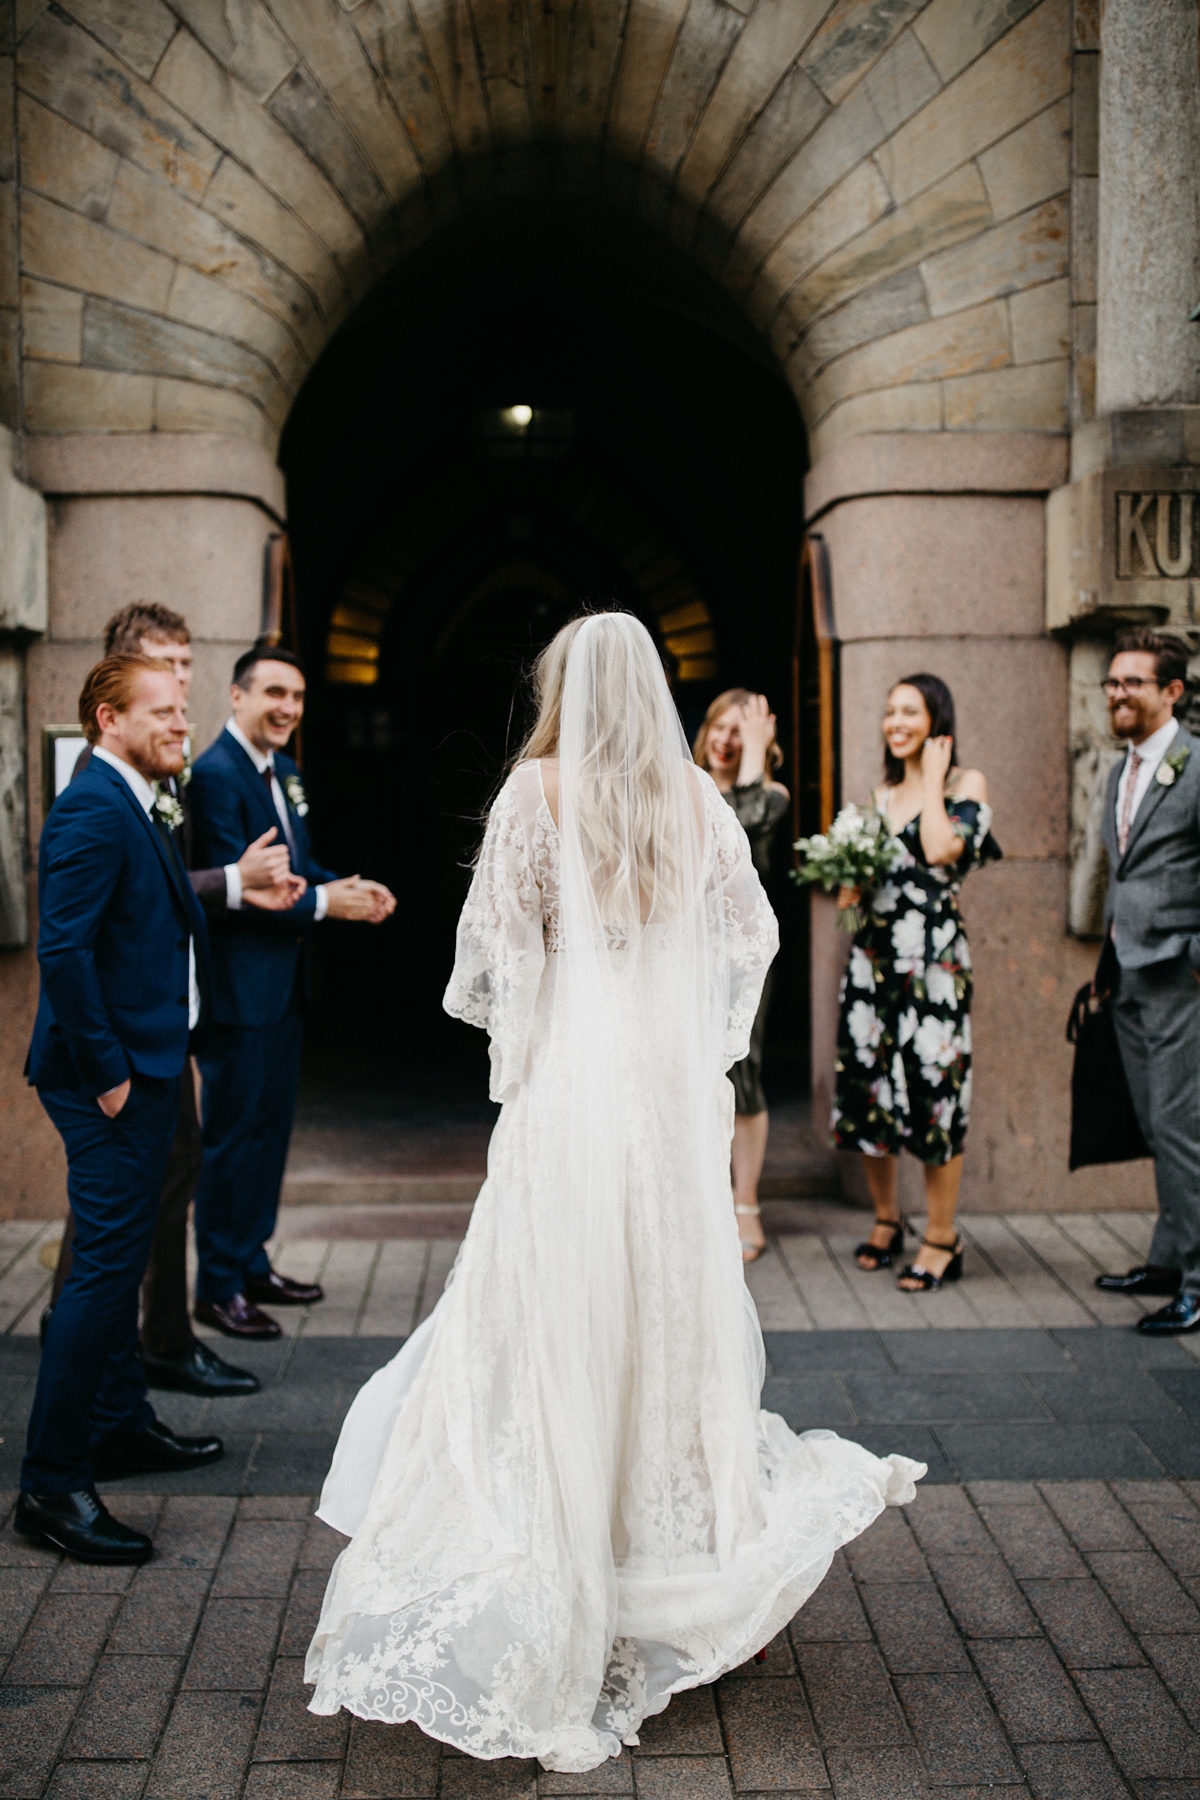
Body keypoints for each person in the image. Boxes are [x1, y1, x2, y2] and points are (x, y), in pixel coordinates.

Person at [303, 613, 922, 1771]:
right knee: (670, 1321)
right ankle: (685, 1572)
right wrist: (693, 1043)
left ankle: (567, 1563)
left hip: (573, 1091)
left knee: (552, 1320)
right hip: (659, 1098)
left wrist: (527, 1068)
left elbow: (500, 963)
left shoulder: (533, 794)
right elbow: (751, 936)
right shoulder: (695, 799)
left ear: (564, 688)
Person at [47, 602, 305, 1397]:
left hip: (163, 1025)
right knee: (106, 1231)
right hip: (119, 1047)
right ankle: (98, 1386)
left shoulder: (164, 774)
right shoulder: (92, 782)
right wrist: (109, 1074)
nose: (185, 691)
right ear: (118, 695)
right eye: (169, 674)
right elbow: (76, 936)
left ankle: (145, 1361)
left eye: (188, 671)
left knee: (166, 1184)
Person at [16, 656, 225, 1564]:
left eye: (184, 709)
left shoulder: (143, 796)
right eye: (164, 711)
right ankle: (52, 1486)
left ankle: (116, 1421)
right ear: (109, 719)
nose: (183, 723)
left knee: (122, 1256)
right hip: (113, 1079)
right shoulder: (95, 808)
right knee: (100, 1279)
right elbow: (60, 951)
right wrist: (110, 1076)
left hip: (151, 1060)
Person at [187, 644, 397, 1339]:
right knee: (231, 1138)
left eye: (298, 698)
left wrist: (344, 888)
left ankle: (251, 1261)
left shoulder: (287, 772)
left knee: (269, 1133)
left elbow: (295, 870)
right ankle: (217, 1284)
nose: (288, 709)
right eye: (274, 693)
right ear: (237, 696)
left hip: (282, 991)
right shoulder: (215, 777)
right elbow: (234, 891)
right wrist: (319, 908)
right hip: (241, 991)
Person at [833, 674, 999, 1291]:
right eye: (889, 711)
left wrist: (931, 780)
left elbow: (938, 850)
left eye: (910, 711)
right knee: (873, 1092)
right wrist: (848, 885)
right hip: (873, 964)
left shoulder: (965, 787)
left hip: (934, 969)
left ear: (936, 721)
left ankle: (941, 1238)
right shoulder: (876, 796)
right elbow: (864, 889)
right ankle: (886, 1219)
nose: (895, 722)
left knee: (935, 1093)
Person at [1091, 630, 1200, 1334]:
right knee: (1157, 1126)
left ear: (1172, 692)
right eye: (1111, 683)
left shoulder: (1195, 766)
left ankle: (1196, 1278)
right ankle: (1167, 1257)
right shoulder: (1119, 770)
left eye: (1133, 682)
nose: (1117, 693)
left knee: (1183, 1129)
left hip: (1180, 976)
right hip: (1129, 975)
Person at [694, 689, 789, 1261]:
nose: (727, 741)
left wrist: (757, 758)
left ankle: (745, 1202)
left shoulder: (770, 794)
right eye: (720, 728)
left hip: (744, 957)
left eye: (741, 732)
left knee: (743, 1071)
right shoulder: (683, 785)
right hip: (685, 950)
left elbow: (746, 832)